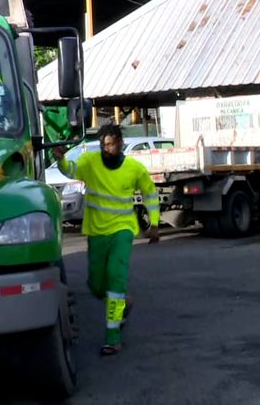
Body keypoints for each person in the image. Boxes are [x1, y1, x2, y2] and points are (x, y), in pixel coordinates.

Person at [52, 124, 160, 356]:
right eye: (103, 145)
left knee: (115, 280)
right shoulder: (91, 163)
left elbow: (150, 192)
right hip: (97, 232)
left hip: (122, 231)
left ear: (120, 143)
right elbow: (71, 169)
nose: (106, 149)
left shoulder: (134, 168)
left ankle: (113, 338)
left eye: (110, 144)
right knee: (96, 285)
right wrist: (60, 160)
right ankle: (124, 302)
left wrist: (155, 223)